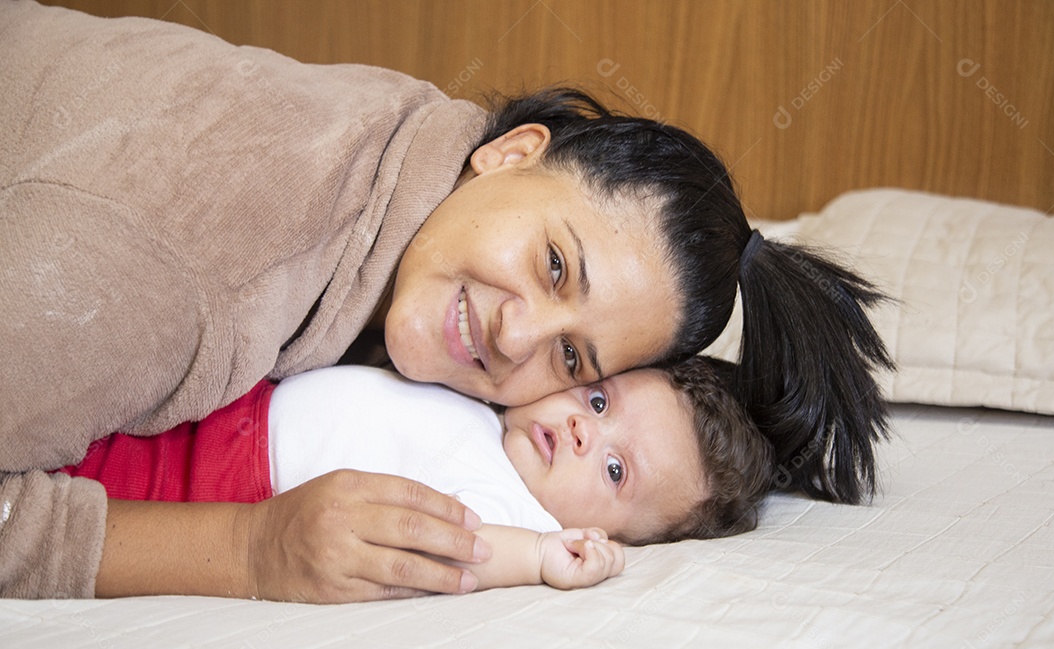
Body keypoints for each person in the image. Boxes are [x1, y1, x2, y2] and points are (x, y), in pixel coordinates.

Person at [0, 2, 890, 602]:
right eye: (553, 264)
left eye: (575, 360)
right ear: (510, 153)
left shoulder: (411, 172)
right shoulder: (190, 268)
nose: (514, 335)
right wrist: (250, 549)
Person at [56, 358, 775, 594]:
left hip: (222, 481)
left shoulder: (517, 510)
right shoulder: (497, 398)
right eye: (597, 399)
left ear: (606, 533)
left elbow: (463, 548)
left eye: (615, 469)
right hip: (237, 403)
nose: (587, 430)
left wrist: (542, 559)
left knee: (73, 469)